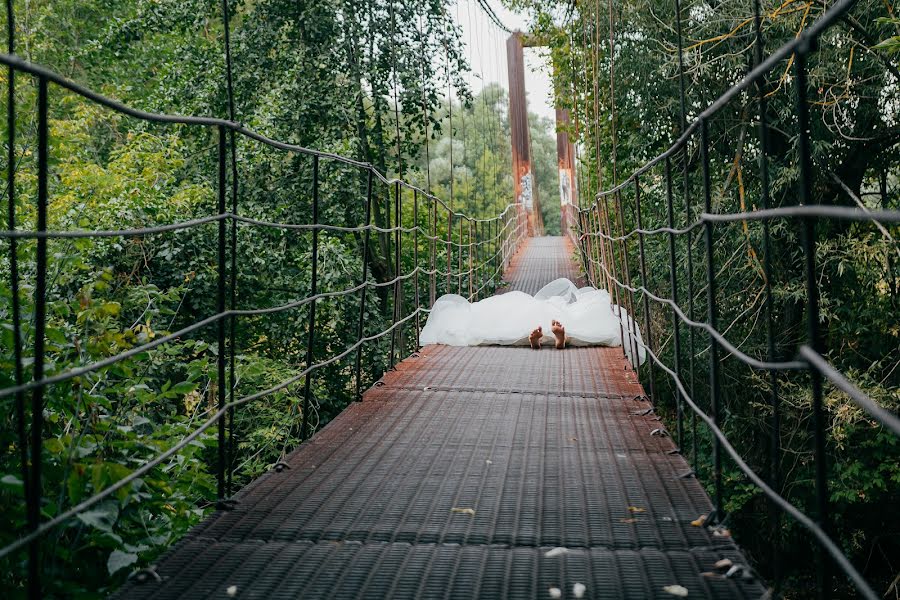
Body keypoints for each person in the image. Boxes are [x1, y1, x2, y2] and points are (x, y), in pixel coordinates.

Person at [419, 278, 645, 366]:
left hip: (524, 311)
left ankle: (540, 338)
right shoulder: (561, 304)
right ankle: (559, 338)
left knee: (500, 317)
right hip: (556, 313)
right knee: (563, 315)